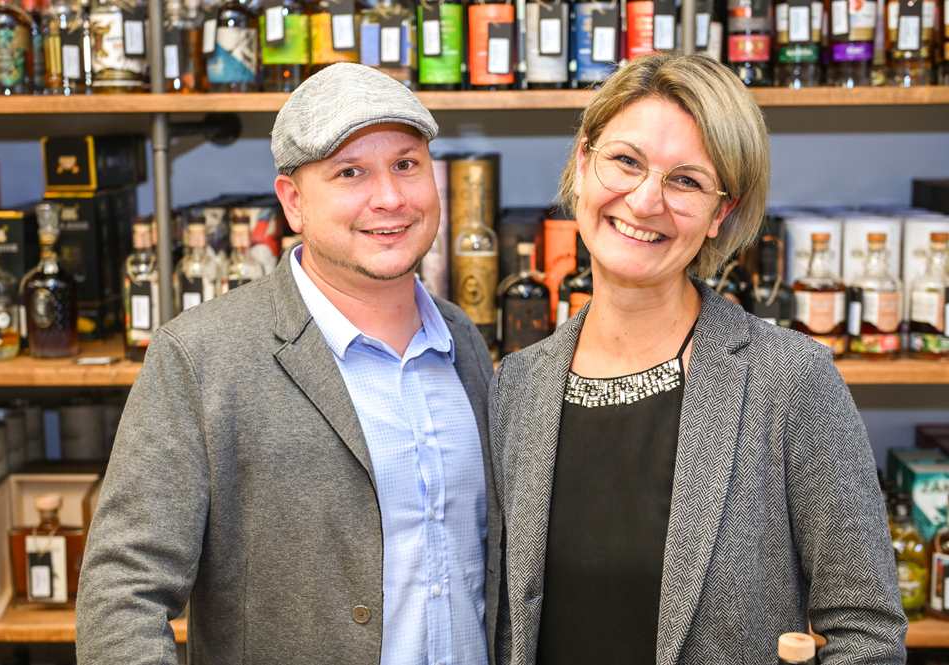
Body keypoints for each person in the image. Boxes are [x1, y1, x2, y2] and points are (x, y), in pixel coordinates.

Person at [76, 63, 501, 665]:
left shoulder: (463, 343)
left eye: (406, 164)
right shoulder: (201, 356)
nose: (389, 197)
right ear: (294, 202)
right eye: (350, 172)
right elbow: (122, 593)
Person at [490, 52, 906, 665]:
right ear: (582, 165)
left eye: (686, 181)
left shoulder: (789, 381)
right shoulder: (516, 386)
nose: (644, 201)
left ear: (722, 212)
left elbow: (867, 634)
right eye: (625, 161)